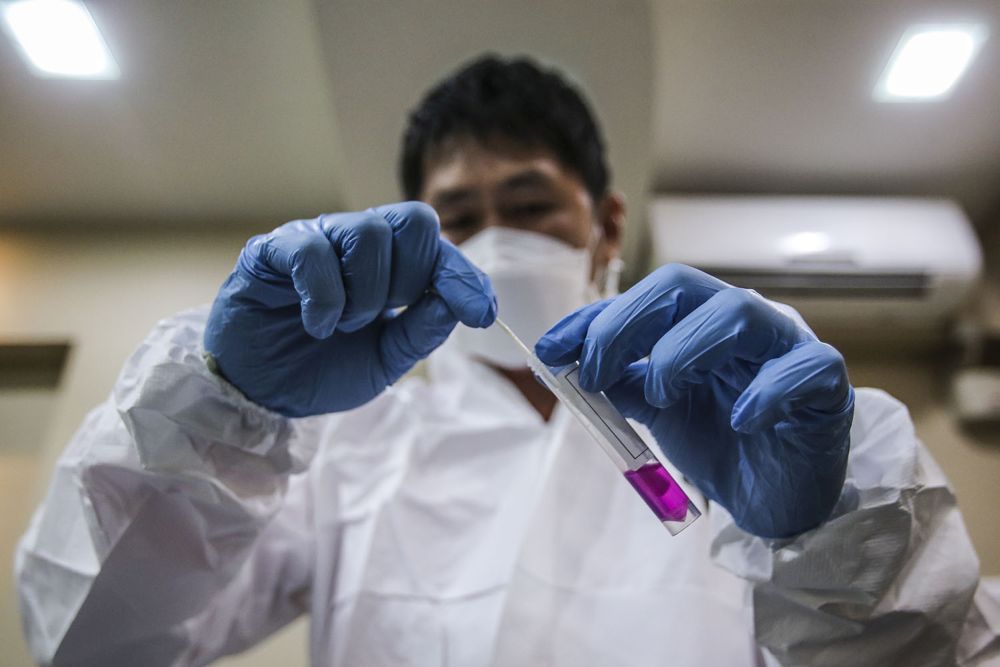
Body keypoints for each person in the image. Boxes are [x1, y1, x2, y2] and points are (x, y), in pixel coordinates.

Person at [15, 55, 1000, 667]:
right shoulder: (348, 448)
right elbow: (86, 641)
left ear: (605, 223)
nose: (495, 245)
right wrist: (211, 405)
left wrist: (830, 538)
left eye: (530, 209)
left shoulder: (765, 416)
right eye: (457, 220)